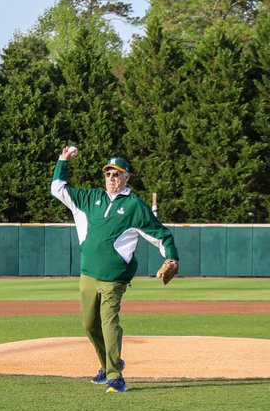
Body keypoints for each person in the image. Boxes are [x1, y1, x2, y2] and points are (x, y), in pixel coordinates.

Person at [51, 147, 179, 392]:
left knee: (109, 322)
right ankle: (108, 364)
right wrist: (63, 161)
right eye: (108, 173)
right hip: (88, 273)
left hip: (114, 278)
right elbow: (57, 189)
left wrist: (172, 259)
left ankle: (115, 376)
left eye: (117, 174)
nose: (112, 178)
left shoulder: (134, 207)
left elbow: (161, 235)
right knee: (89, 324)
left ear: (127, 177)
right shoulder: (89, 199)